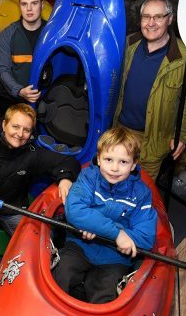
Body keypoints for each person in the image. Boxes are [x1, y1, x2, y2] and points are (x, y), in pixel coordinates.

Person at [0, 103, 80, 280]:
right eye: (15, 126)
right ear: (4, 125)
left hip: (13, 208)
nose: (20, 134)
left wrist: (65, 178)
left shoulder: (34, 154)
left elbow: (69, 162)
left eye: (26, 130)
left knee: (36, 245)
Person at [52, 127, 157, 303]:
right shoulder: (88, 177)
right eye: (109, 159)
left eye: (123, 162)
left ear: (133, 165)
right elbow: (75, 212)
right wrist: (117, 233)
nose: (115, 168)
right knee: (60, 274)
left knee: (106, 296)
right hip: (80, 246)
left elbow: (146, 237)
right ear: (99, 159)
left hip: (115, 258)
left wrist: (99, 228)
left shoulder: (142, 194)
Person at [112, 0, 186, 181]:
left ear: (170, 19)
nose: (151, 23)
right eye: (146, 17)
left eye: (158, 17)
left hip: (152, 141)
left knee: (140, 194)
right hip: (119, 132)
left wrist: (182, 135)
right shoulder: (128, 45)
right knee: (111, 185)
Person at [0, 0, 46, 117]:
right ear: (20, 7)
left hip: (45, 103)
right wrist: (19, 90)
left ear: (42, 5)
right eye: (24, 4)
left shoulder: (52, 34)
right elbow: (2, 69)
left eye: (34, 3)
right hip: (12, 102)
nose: (29, 9)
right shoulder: (8, 34)